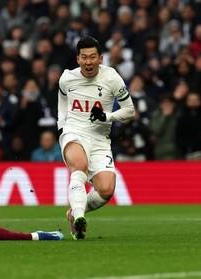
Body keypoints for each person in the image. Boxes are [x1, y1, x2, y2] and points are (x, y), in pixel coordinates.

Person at [57, 35, 134, 240]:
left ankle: (73, 212)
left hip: (100, 138)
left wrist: (107, 116)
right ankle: (80, 219)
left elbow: (129, 111)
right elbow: (62, 102)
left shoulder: (112, 78)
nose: (88, 62)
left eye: (92, 57)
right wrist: (61, 127)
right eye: (84, 57)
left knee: (106, 190)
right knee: (79, 166)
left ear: (101, 58)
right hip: (74, 131)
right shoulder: (67, 78)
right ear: (78, 59)